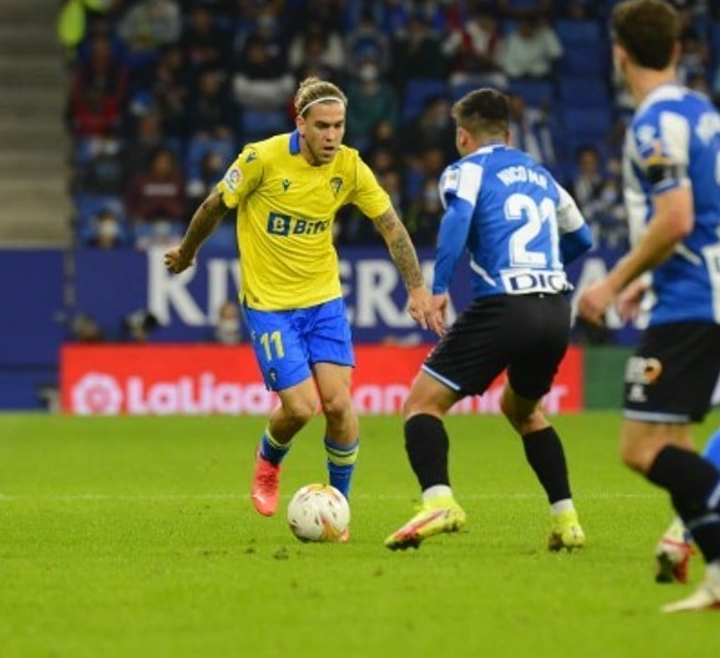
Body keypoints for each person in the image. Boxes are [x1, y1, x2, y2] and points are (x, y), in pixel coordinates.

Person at [576, 0, 720, 614]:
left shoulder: (653, 123)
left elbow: (675, 219)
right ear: (677, 50)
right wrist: (643, 281)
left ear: (618, 54)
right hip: (715, 290)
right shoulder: (703, 113)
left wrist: (611, 281)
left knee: (640, 450)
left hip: (691, 301)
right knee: (672, 449)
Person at [164, 77, 442, 535]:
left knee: (338, 405)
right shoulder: (261, 158)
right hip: (270, 305)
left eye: (339, 126)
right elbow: (215, 205)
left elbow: (391, 226)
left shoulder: (350, 167)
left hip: (324, 301)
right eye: (323, 126)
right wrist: (189, 252)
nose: (333, 136)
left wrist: (416, 288)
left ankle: (339, 505)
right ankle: (269, 462)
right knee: (299, 408)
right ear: (301, 123)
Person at [383, 88, 595, 553]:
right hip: (556, 308)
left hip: (506, 305)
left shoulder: (465, 171)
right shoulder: (542, 176)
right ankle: (567, 520)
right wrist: (549, 268)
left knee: (421, 405)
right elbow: (583, 237)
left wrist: (440, 288)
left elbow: (457, 222)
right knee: (524, 410)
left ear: (462, 136)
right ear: (509, 133)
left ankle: (439, 502)